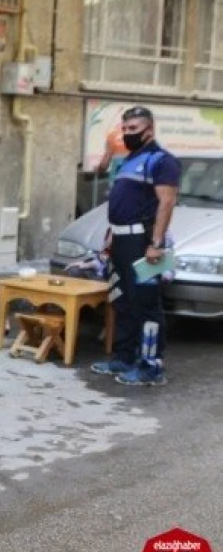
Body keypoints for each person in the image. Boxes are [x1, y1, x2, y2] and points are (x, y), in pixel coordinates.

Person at [90, 106, 180, 386]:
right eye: (124, 129)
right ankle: (123, 358)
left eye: (133, 129)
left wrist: (156, 243)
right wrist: (112, 236)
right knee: (123, 301)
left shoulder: (161, 160)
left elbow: (166, 203)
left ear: (149, 131)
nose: (127, 134)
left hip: (143, 242)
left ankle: (151, 367)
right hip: (120, 240)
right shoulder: (129, 160)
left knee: (146, 305)